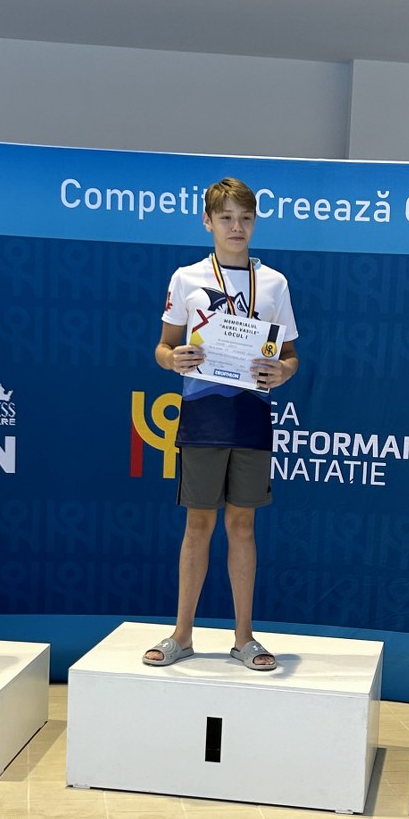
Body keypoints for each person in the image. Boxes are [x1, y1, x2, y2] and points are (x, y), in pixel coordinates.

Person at [143, 177, 298, 671]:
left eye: (245, 218)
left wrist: (283, 371)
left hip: (250, 416)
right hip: (202, 415)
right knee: (198, 523)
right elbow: (163, 346)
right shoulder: (186, 278)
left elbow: (290, 356)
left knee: (243, 525)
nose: (237, 227)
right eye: (227, 218)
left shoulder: (274, 283)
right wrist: (173, 359)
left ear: (255, 223)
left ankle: (244, 638)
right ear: (207, 222)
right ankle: (182, 635)